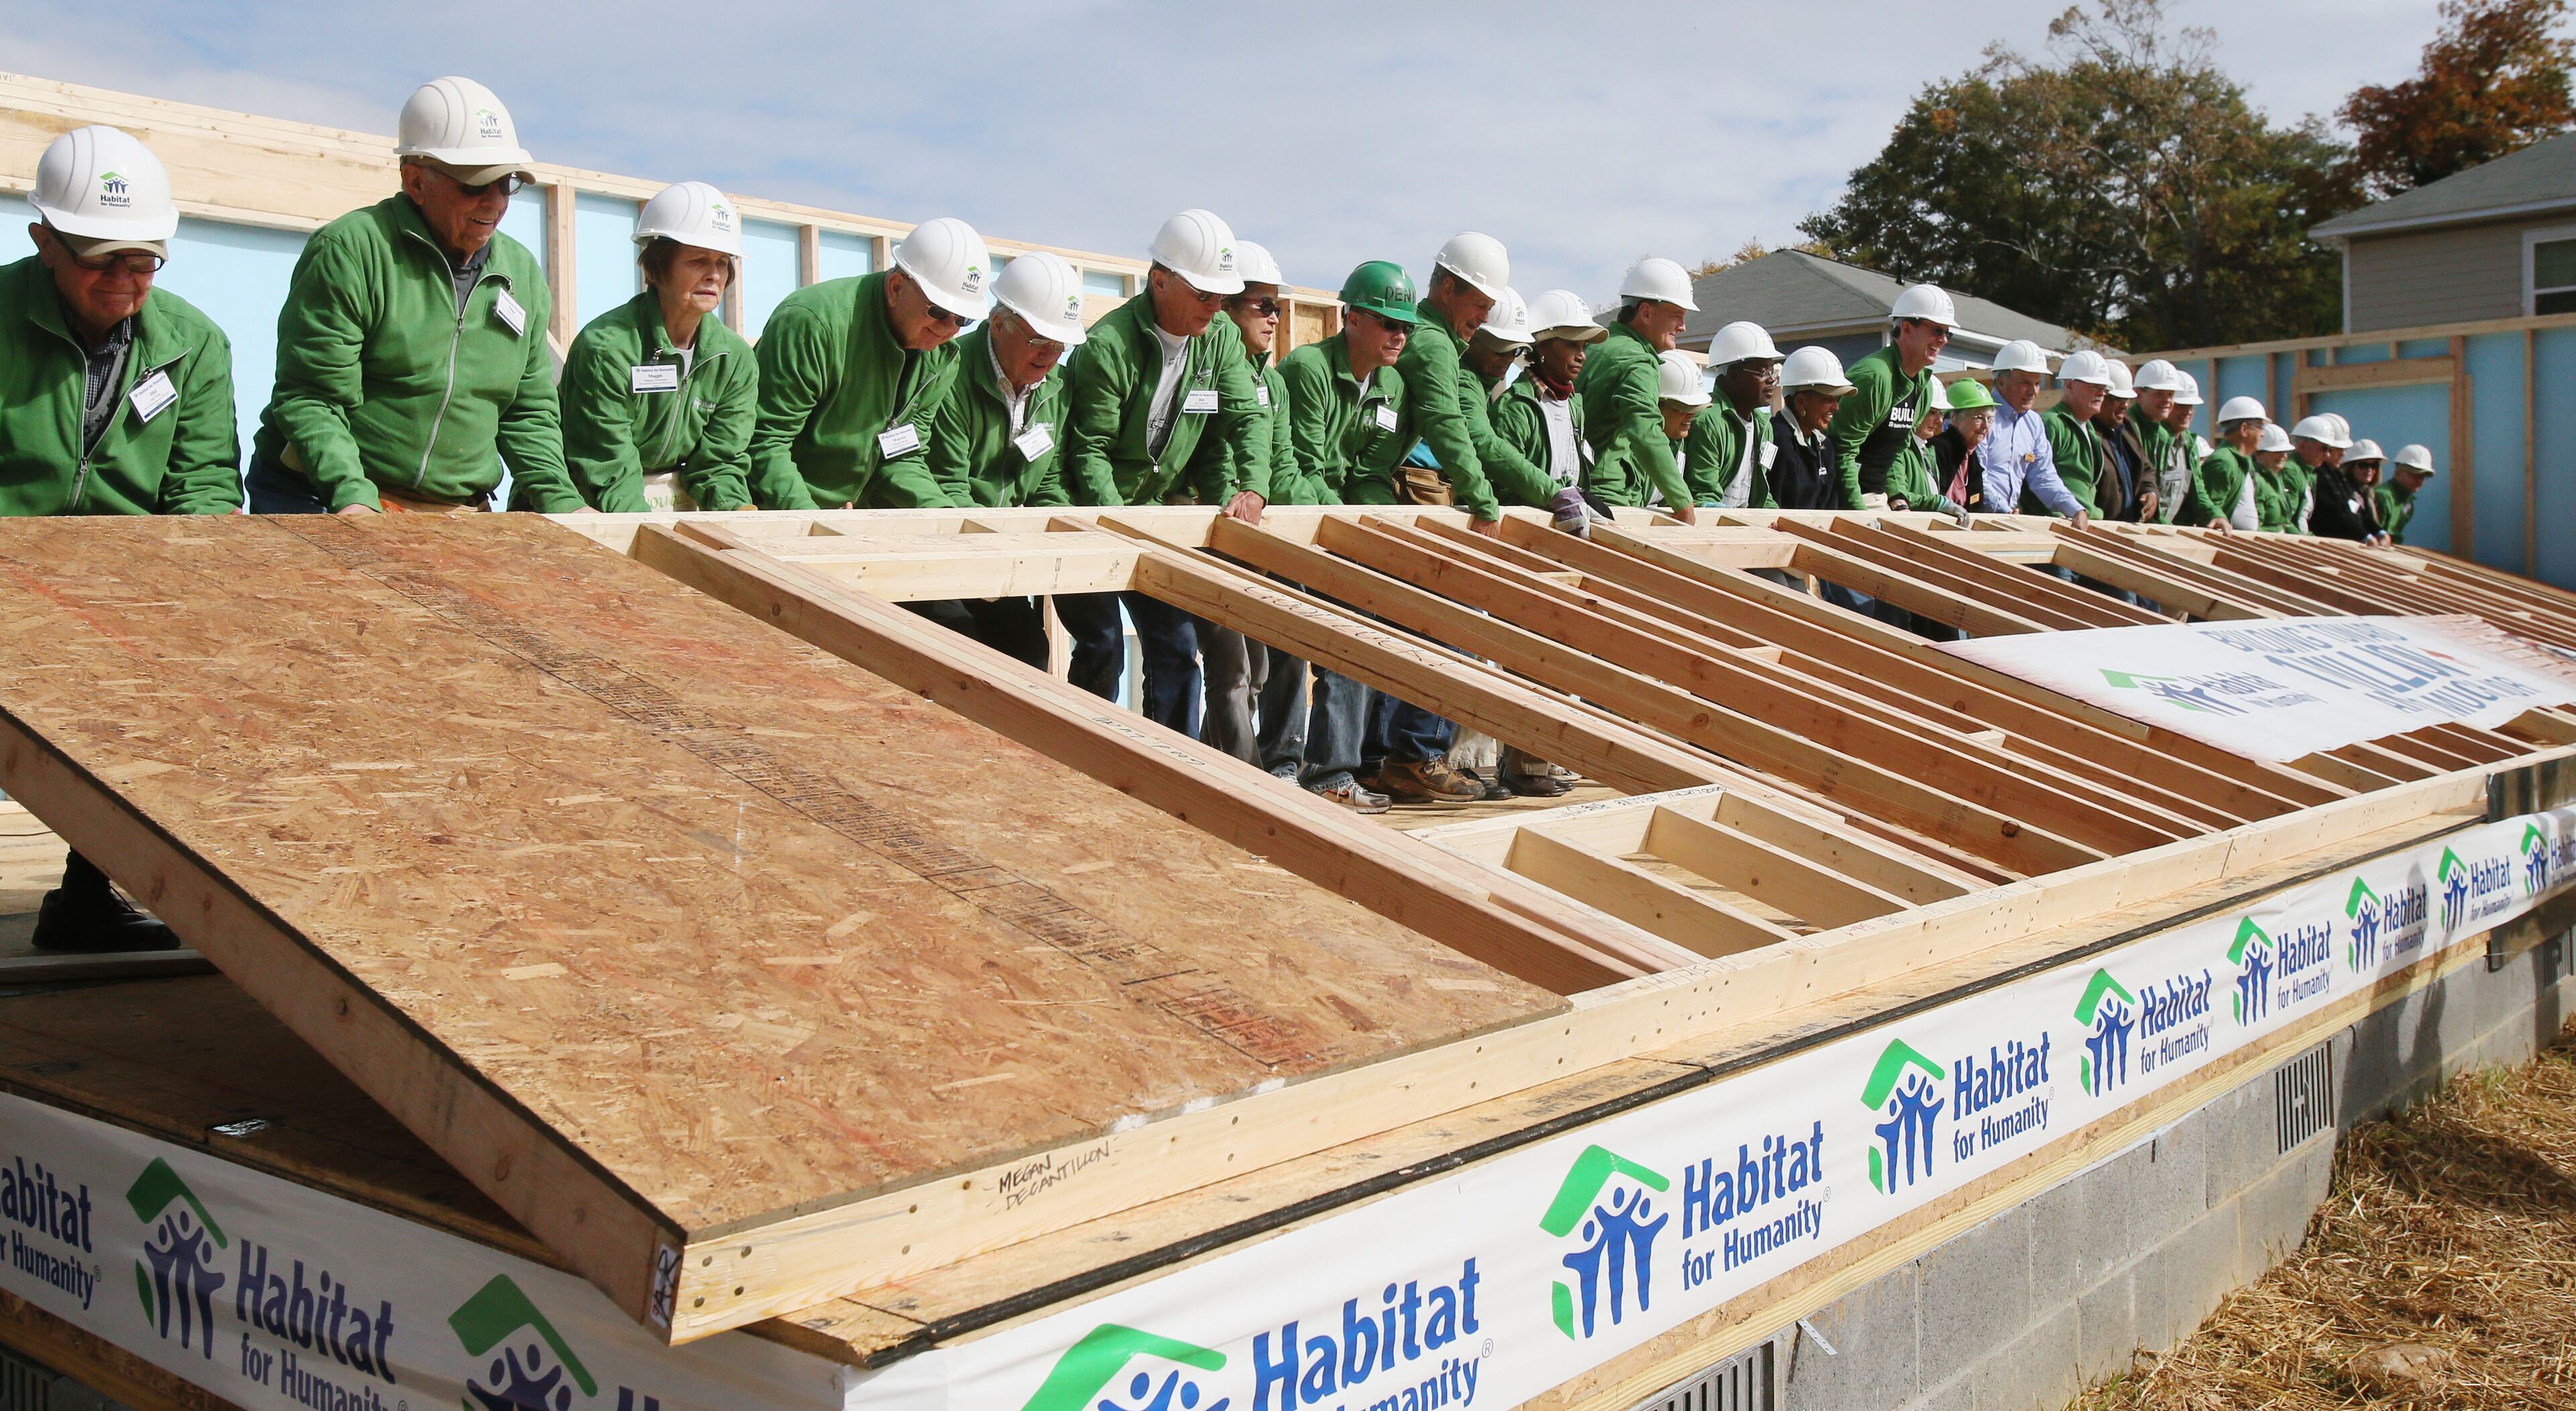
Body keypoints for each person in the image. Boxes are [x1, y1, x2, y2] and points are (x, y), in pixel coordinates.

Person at [3, 125, 239, 951]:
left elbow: (206, 484)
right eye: (104, 260)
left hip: (127, 580)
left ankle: (83, 896)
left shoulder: (194, 342)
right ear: (45, 242)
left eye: (145, 261)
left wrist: (193, 589)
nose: (126, 281)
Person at [252, 76, 584, 515]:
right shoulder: (354, 252)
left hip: (450, 508)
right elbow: (312, 397)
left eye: (506, 184)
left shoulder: (520, 276)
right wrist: (353, 498)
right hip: (327, 494)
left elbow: (527, 413)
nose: (494, 202)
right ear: (416, 181)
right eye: (474, 185)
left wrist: (563, 502)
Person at [1053, 209, 1269, 735]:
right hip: (1094, 513)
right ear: (1160, 282)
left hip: (1154, 515)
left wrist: (1254, 486)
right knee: (1102, 644)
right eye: (1204, 295)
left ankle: (1172, 764)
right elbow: (1090, 453)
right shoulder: (1110, 346)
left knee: (1176, 644)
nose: (1216, 307)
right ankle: (1088, 755)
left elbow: (1247, 415)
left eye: (1222, 296)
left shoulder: (1217, 337)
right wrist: (1123, 529)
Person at [1274, 260, 1434, 811]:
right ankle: (1293, 769)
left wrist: (1371, 529)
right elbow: (1300, 465)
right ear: (1354, 318)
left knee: (1359, 631)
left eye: (1406, 326)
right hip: (1296, 519)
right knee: (1293, 646)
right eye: (1389, 323)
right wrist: (1348, 526)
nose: (1399, 335)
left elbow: (1370, 470)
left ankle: (1337, 771)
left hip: (1338, 521)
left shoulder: (1390, 384)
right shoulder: (1309, 369)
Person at [916, 250, 1091, 668]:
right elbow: (948, 483)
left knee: (1029, 652)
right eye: (1038, 341)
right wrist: (999, 555)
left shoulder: (1057, 389)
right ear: (998, 325)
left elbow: (1048, 483)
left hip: (1001, 557)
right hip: (942, 549)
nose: (1050, 355)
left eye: (1059, 344)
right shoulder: (952, 372)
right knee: (959, 647)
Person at [747, 215, 989, 511]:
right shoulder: (814, 324)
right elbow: (766, 442)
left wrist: (944, 512)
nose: (950, 328)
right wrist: (813, 521)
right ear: (897, 288)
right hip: (774, 512)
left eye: (963, 318)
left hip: (849, 517)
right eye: (938, 311)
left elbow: (902, 455)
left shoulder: (942, 358)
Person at [561, 182, 757, 511]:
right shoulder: (608, 349)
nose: (713, 275)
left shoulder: (734, 360)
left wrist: (737, 511)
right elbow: (607, 467)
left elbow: (720, 462)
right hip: (590, 508)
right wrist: (650, 535)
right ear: (657, 267)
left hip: (672, 505)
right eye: (698, 260)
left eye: (722, 262)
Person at [1187, 242, 1307, 772]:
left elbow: (1282, 463)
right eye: (1262, 306)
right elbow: (1200, 451)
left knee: (1257, 667)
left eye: (1277, 308)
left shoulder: (1274, 385)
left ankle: (1229, 768)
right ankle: (1243, 778)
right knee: (1231, 669)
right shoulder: (1203, 368)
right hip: (1211, 528)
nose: (1274, 318)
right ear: (1226, 309)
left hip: (1254, 536)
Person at [1393, 233, 1545, 532]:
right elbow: (1447, 425)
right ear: (1449, 289)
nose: (1485, 317)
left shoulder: (1429, 335)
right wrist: (1485, 503)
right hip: (1416, 485)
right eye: (1479, 305)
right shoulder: (1435, 345)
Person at [1579, 257, 1701, 519]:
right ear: (1646, 312)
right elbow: (1645, 431)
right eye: (1676, 316)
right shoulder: (1638, 362)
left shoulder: (1596, 347)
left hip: (1577, 489)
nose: (1683, 327)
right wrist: (1682, 502)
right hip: (1606, 495)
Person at [1828, 283, 1952, 511]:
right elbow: (1841, 452)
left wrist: (1897, 495)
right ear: (1906, 328)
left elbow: (1896, 449)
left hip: (1878, 497)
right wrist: (1860, 515)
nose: (1943, 340)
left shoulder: (1921, 385)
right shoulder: (1874, 377)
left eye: (1948, 333)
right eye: (1937, 330)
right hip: (1845, 500)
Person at [1493, 290, 1603, 499]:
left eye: (1584, 346)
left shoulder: (1574, 405)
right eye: (1572, 344)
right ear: (1543, 346)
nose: (1582, 356)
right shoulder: (1516, 408)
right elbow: (1504, 486)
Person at [1979, 341, 2088, 521]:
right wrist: (2004, 511)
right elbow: (1976, 475)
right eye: (2025, 383)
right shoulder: (1982, 417)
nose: (2033, 391)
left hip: (2007, 518)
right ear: (2001, 381)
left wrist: (2074, 509)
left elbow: (2043, 475)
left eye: (2037, 384)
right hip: (1977, 519)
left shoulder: (2033, 423)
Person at [1683, 321, 1782, 510]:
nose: (1771, 379)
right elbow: (1703, 495)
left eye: (1772, 371)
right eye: (1762, 371)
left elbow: (1762, 494)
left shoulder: (1764, 426)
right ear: (1734, 374)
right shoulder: (1708, 421)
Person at [1768, 347, 1853, 511]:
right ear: (1801, 401)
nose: (1836, 407)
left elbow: (1828, 505)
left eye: (1837, 399)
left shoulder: (1824, 446)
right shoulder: (1775, 439)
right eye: (1828, 399)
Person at [1881, 378, 1970, 526]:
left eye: (1941, 414)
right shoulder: (1899, 451)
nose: (1939, 421)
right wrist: (1939, 503)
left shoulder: (1928, 452)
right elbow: (1899, 496)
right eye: (1933, 412)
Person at [2044, 350, 2116, 521]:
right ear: (2069, 385)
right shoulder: (2052, 423)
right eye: (2094, 387)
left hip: (2084, 523)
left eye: (2104, 388)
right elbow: (2034, 477)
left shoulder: (2090, 430)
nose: (2102, 393)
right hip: (2059, 526)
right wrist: (2059, 514)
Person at [1930, 378, 1997, 516]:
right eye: (1979, 417)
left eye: (1989, 419)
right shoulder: (1939, 449)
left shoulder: (1971, 455)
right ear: (1955, 417)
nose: (1985, 426)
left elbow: (1976, 507)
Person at [2200, 397, 2267, 533]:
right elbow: (2210, 510)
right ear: (2244, 429)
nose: (2263, 434)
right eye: (2260, 427)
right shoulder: (2223, 461)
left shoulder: (2241, 460)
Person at [2306, 426, 2385, 542]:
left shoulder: (2338, 478)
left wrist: (2380, 532)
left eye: (2374, 466)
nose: (2343, 454)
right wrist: (2365, 536)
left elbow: (2360, 514)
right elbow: (2335, 513)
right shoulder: (2320, 476)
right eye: (2363, 465)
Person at [2127, 359, 2182, 524]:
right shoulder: (2127, 428)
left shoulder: (2162, 435)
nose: (2167, 401)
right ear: (2139, 393)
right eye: (2159, 393)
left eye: (2171, 394)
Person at [2090, 360, 2144, 522]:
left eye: (2127, 400)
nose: (2124, 406)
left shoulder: (2128, 429)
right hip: (2098, 531)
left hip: (2126, 528)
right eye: (2117, 399)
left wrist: (2150, 492)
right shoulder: (2088, 433)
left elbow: (2146, 468)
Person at [2286, 414, 2351, 539]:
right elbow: (2286, 521)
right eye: (2324, 448)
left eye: (2330, 450)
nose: (2327, 455)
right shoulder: (2291, 472)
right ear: (2303, 446)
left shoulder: (2308, 473)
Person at [2379, 443, 2436, 543]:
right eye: (2414, 475)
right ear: (2397, 472)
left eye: (2423, 477)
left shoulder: (2408, 502)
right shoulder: (2384, 496)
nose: (2419, 481)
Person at [2251, 421, 2299, 533]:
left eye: (2285, 452)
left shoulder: (2276, 479)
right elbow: (2256, 528)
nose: (2284, 456)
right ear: (2258, 454)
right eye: (2277, 452)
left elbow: (2285, 523)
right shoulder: (2256, 482)